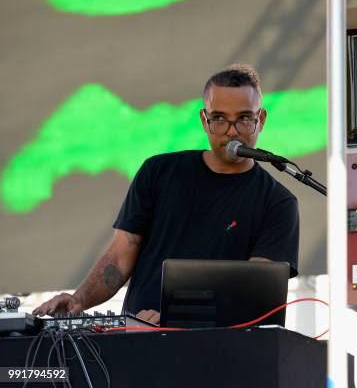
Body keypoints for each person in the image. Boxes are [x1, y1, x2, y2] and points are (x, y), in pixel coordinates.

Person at [33, 64, 299, 324]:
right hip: (138, 339)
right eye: (219, 118)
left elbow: (253, 292)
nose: (231, 131)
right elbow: (120, 256)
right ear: (204, 121)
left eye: (243, 118)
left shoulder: (277, 202)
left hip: (222, 353)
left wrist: (176, 320)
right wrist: (79, 300)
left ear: (260, 119)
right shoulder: (158, 172)